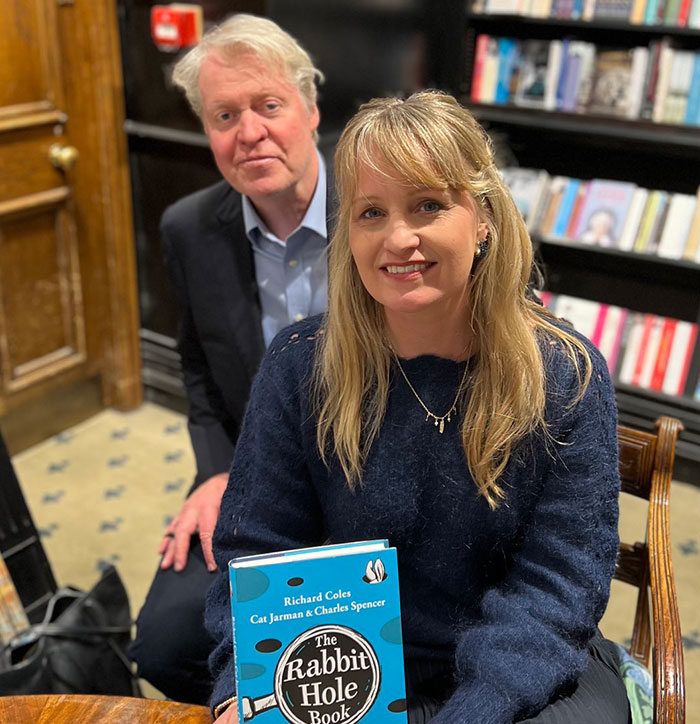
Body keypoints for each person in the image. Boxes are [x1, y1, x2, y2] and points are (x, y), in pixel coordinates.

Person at [205, 91, 629, 724]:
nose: (398, 239)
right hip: (353, 671)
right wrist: (247, 686)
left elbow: (556, 588)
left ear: (483, 218)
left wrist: (474, 711)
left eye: (428, 205)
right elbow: (256, 551)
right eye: (371, 212)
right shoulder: (300, 365)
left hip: (519, 671)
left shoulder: (565, 374)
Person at [129, 14, 334, 704]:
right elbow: (197, 370)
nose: (248, 132)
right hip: (258, 478)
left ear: (309, 107)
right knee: (162, 643)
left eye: (268, 106)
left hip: (384, 474)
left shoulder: (382, 206)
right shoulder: (187, 228)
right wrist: (217, 473)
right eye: (224, 115)